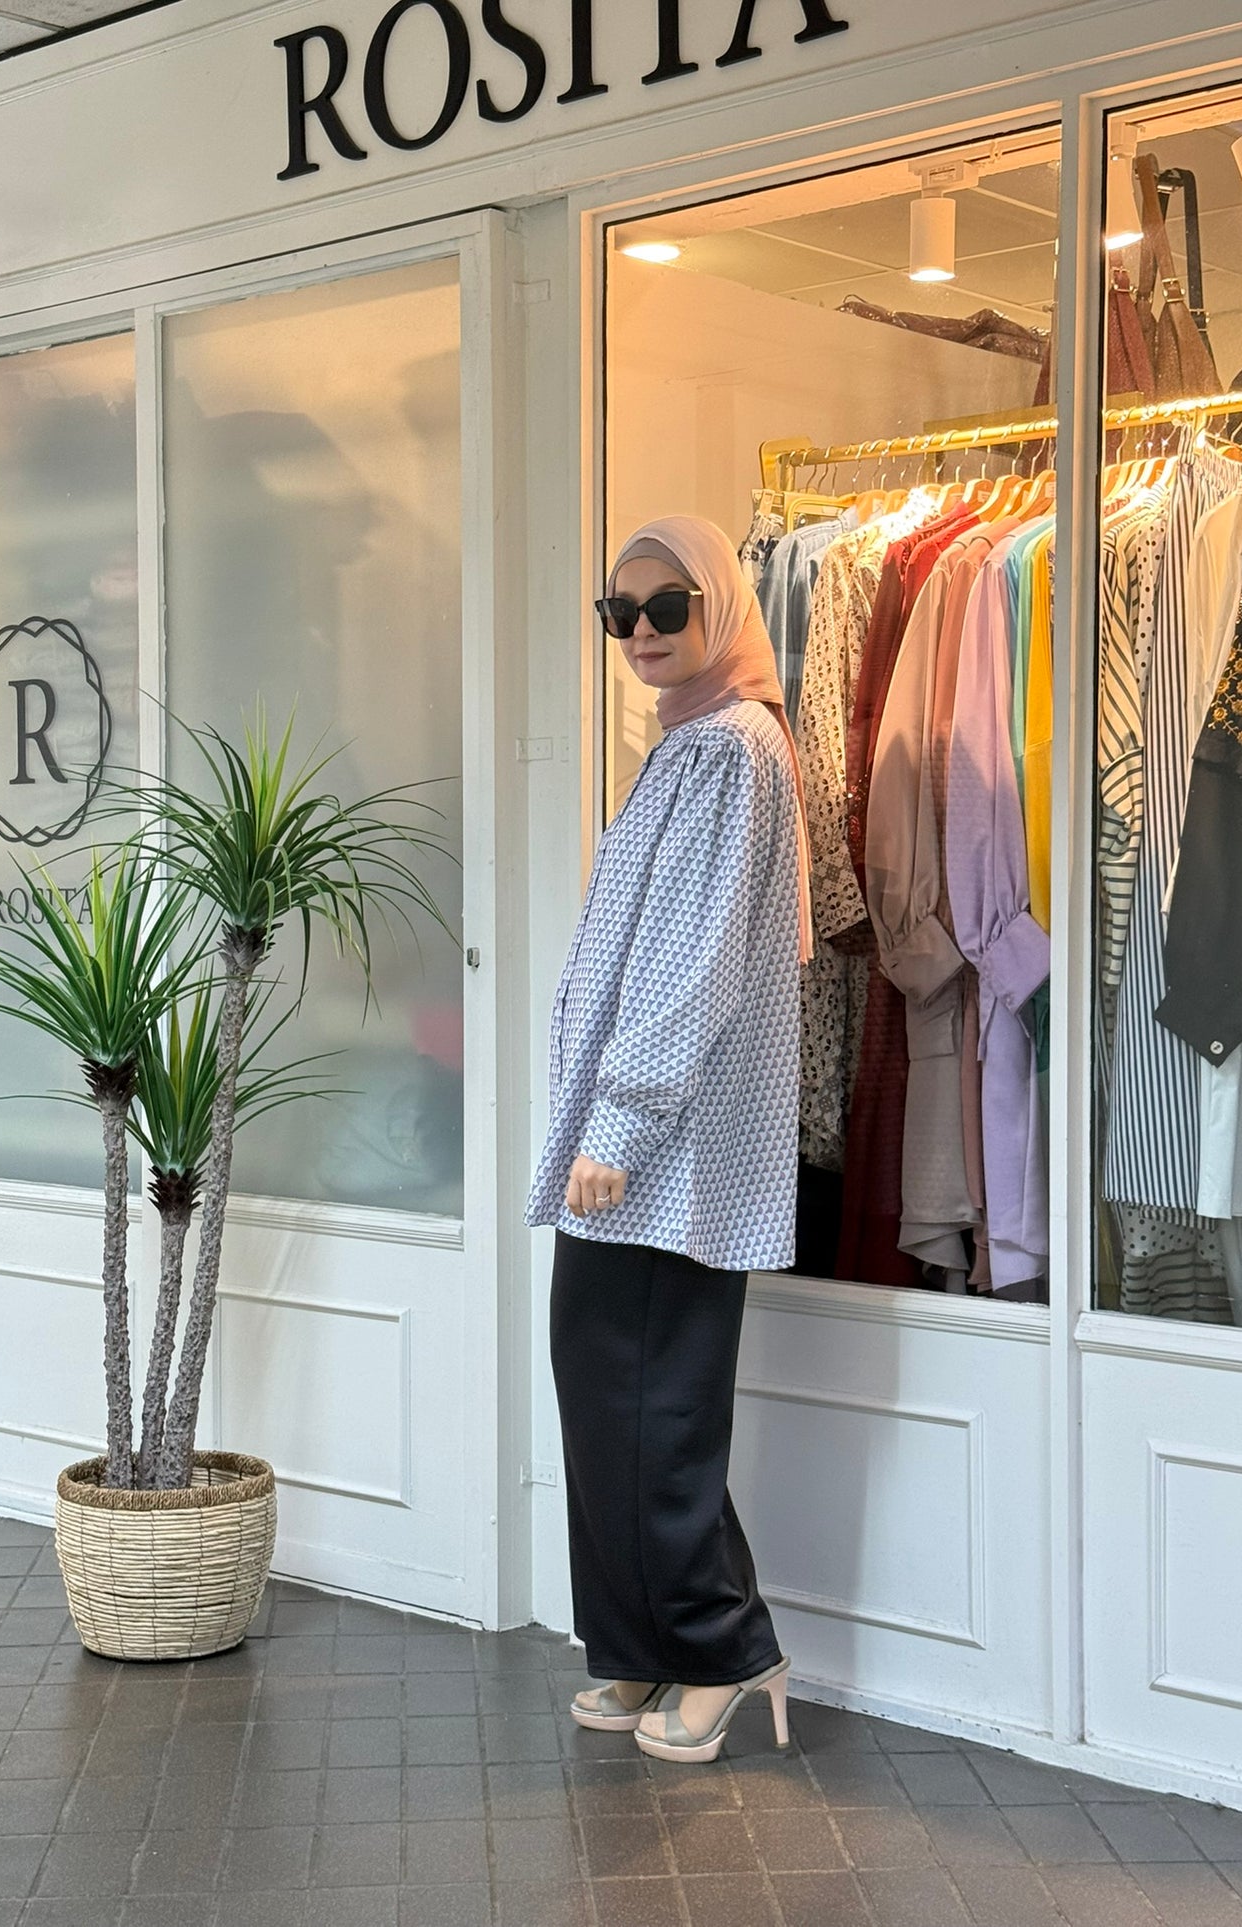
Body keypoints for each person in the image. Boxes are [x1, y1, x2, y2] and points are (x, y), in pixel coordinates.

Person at [525, 514, 814, 1763]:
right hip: (638, 1146)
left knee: (659, 1408)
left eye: (665, 608)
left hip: (670, 1153)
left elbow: (691, 964)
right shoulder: (685, 743)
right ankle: (641, 1647)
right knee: (605, 1393)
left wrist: (623, 1117)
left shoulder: (731, 750)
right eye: (618, 614)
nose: (640, 633)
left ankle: (726, 1651)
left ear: (719, 611)